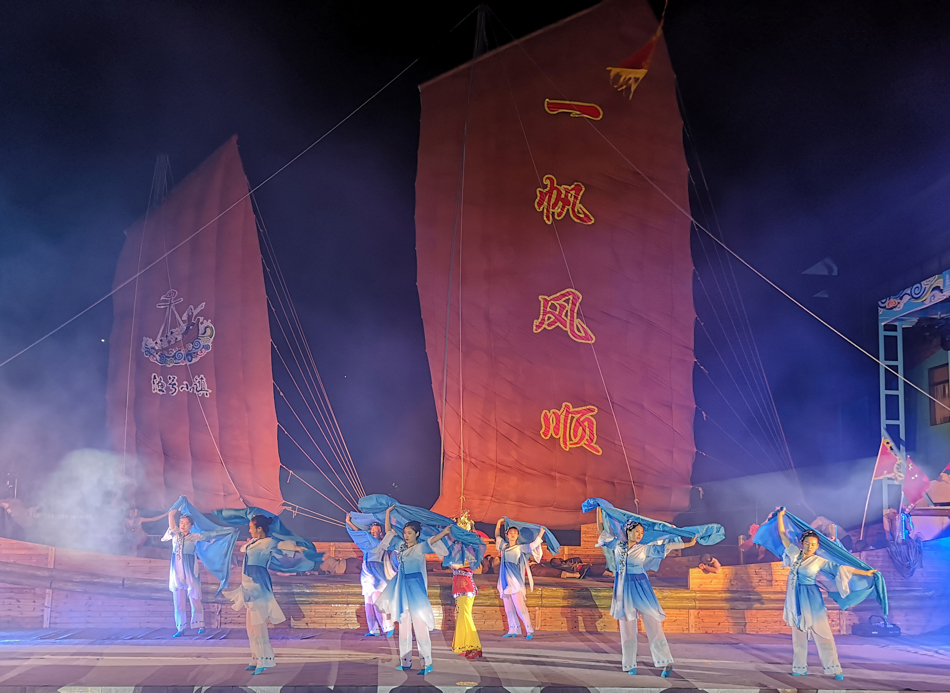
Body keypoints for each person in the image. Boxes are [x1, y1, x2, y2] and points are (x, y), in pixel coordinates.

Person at [776, 508, 877, 680]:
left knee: (822, 632)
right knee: (798, 633)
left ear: (817, 546)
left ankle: (834, 668)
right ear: (802, 543)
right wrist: (780, 516)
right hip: (795, 597)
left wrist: (865, 573)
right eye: (807, 543)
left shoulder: (819, 561)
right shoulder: (794, 554)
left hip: (811, 597)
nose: (810, 546)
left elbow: (841, 569)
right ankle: (799, 667)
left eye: (813, 544)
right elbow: (782, 533)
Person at [597, 507, 696, 677]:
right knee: (627, 627)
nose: (640, 535)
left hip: (641, 586)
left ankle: (665, 661)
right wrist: (600, 509)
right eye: (637, 531)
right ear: (628, 531)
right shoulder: (618, 545)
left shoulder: (644, 548)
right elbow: (602, 530)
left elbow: (668, 546)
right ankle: (629, 664)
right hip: (623, 588)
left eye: (642, 532)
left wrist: (688, 544)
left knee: (652, 622)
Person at [374, 505, 451, 675]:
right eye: (405, 532)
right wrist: (387, 513)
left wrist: (445, 532)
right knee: (403, 625)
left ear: (417, 534)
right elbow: (388, 532)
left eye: (410, 533)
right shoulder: (401, 546)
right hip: (402, 587)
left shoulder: (420, 547)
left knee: (420, 625)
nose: (406, 535)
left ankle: (426, 663)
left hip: (415, 588)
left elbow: (432, 541)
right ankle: (405, 662)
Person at [224, 514, 305, 675]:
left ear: (259, 528)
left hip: (258, 585)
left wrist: (298, 549)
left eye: (251, 527)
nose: (249, 530)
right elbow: (243, 549)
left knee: (258, 625)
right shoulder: (253, 542)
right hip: (247, 585)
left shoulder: (268, 542)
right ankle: (255, 657)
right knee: (250, 627)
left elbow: (281, 545)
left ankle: (265, 659)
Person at [162, 509, 232, 636]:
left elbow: (211, 535)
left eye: (186, 523)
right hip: (176, 571)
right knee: (178, 600)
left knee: (194, 597)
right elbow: (172, 526)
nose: (183, 525)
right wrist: (171, 515)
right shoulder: (175, 535)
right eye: (181, 523)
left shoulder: (194, 537)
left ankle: (200, 624)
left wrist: (227, 531)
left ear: (191, 526)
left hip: (190, 571)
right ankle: (180, 628)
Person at [495, 517, 546, 639]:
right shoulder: (504, 546)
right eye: (510, 533)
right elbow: (497, 536)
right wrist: (498, 523)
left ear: (518, 536)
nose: (512, 534)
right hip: (504, 580)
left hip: (515, 580)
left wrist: (541, 533)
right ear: (507, 535)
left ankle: (529, 630)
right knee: (508, 608)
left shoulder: (520, 548)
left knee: (520, 606)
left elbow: (533, 545)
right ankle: (513, 629)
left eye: (515, 533)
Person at [346, 513, 394, 637]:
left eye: (376, 531)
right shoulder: (366, 543)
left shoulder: (382, 543)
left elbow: (389, 535)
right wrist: (349, 522)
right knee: (368, 604)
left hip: (377, 572)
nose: (373, 533)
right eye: (372, 531)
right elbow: (359, 534)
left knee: (377, 601)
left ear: (380, 533)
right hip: (366, 572)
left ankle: (388, 626)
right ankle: (373, 630)